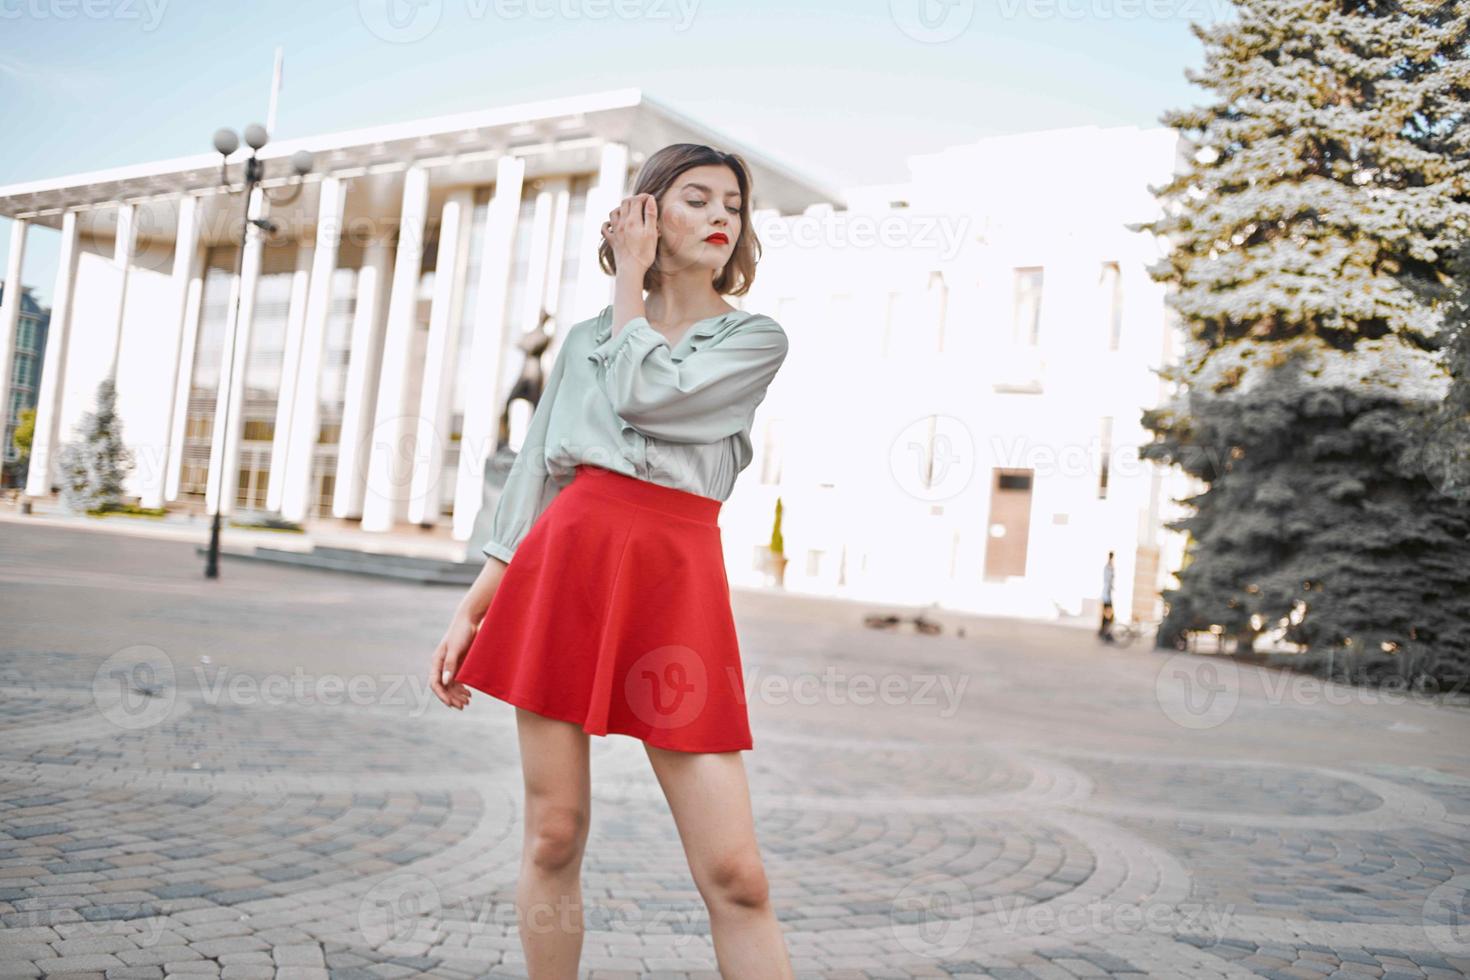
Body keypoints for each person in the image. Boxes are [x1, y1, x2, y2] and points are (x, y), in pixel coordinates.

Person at [429, 144, 795, 978]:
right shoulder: (586, 340)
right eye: (696, 199)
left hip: (676, 579)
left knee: (737, 874)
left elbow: (647, 393)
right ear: (644, 213)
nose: (718, 218)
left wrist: (627, 285)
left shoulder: (753, 339)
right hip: (567, 564)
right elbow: (536, 477)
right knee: (554, 831)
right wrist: (475, 604)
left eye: (731, 207)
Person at [1099, 550, 1116, 643]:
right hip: (1107, 596)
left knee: (1108, 617)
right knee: (1109, 617)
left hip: (1107, 596)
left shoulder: (1109, 567)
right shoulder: (1108, 567)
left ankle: (1104, 633)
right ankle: (1106, 633)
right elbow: (1108, 582)